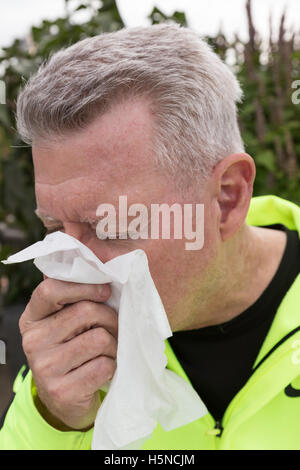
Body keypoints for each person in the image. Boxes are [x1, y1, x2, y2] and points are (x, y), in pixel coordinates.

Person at [0, 24, 299, 450]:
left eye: (113, 228)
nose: (77, 271)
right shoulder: (73, 348)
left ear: (227, 199)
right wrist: (57, 420)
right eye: (55, 231)